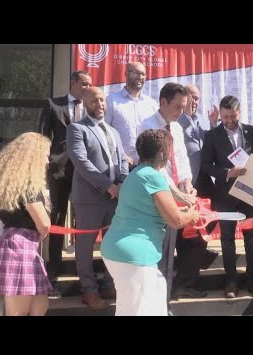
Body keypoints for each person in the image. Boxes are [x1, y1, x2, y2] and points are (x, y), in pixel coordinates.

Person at [101, 129, 200, 316]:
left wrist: (186, 208)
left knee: (143, 305)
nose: (170, 156)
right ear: (162, 153)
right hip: (134, 256)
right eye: (169, 152)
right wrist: (192, 214)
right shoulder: (153, 177)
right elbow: (176, 220)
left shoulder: (137, 174)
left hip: (121, 252)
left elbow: (165, 211)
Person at [201, 95, 253, 299]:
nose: (229, 120)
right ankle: (231, 280)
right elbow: (206, 166)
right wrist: (227, 173)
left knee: (252, 238)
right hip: (225, 195)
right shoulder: (212, 135)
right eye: (225, 117)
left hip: (249, 193)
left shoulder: (251, 131)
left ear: (239, 112)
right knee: (228, 239)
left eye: (233, 115)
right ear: (220, 115)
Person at [67, 86, 129, 310]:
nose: (100, 104)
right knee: (85, 246)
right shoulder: (76, 129)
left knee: (112, 245)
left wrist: (122, 183)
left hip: (114, 199)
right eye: (95, 101)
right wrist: (108, 186)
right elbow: (81, 163)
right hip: (89, 200)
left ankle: (110, 284)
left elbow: (122, 161)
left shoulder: (113, 131)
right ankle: (88, 290)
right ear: (85, 103)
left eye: (102, 100)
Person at [0, 132, 52, 316]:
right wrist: (41, 232)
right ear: (34, 157)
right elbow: (43, 223)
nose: (47, 161)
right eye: (45, 155)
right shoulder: (29, 187)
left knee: (39, 305)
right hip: (21, 249)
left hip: (16, 247)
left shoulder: (12, 186)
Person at [139, 82, 196, 306]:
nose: (182, 112)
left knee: (170, 254)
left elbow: (181, 160)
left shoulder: (178, 128)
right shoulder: (147, 127)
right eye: (179, 106)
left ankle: (164, 304)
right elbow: (155, 168)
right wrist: (176, 192)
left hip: (178, 193)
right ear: (163, 102)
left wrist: (188, 183)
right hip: (157, 197)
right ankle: (151, 304)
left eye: (184, 107)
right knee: (157, 255)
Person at [38, 70, 92, 282]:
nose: (88, 88)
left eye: (90, 85)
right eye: (84, 84)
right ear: (73, 83)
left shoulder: (91, 107)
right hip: (59, 169)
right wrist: (44, 159)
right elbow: (42, 135)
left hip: (85, 170)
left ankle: (82, 265)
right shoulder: (53, 104)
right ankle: (54, 266)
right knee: (57, 216)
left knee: (84, 217)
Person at [172, 83, 219, 299]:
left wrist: (212, 123)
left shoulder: (198, 120)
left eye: (198, 98)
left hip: (202, 181)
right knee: (188, 233)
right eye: (191, 97)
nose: (195, 102)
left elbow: (207, 144)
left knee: (207, 223)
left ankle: (194, 261)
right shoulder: (177, 121)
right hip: (184, 184)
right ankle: (186, 280)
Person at [105, 61, 158, 169]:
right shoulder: (111, 101)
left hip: (147, 166)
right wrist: (121, 155)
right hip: (120, 165)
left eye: (143, 74)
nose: (140, 77)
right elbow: (104, 132)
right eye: (136, 73)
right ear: (126, 74)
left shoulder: (151, 104)